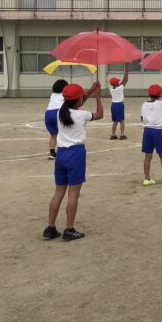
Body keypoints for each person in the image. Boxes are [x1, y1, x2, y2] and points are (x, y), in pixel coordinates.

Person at [42, 81, 103, 242]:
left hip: (61, 154)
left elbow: (76, 102)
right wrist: (97, 96)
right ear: (79, 100)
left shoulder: (60, 112)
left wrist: (91, 90)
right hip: (76, 154)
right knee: (73, 194)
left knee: (58, 192)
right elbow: (100, 114)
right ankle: (69, 229)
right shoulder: (82, 115)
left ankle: (50, 227)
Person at [141, 82, 162, 187]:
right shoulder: (161, 103)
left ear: (149, 93)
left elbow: (142, 119)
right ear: (160, 94)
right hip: (158, 131)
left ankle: (147, 179)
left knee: (148, 156)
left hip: (147, 131)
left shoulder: (144, 104)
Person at [45, 79, 68, 160]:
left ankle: (52, 153)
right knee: (64, 133)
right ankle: (63, 151)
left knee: (53, 135)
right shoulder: (64, 94)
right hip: (58, 113)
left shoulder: (53, 94)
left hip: (48, 114)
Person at [108, 68, 129, 140]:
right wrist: (126, 72)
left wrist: (125, 73)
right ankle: (122, 135)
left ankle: (113, 134)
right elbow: (125, 80)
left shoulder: (111, 89)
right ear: (117, 83)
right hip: (119, 105)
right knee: (122, 121)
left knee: (115, 121)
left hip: (113, 105)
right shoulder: (120, 88)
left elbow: (121, 83)